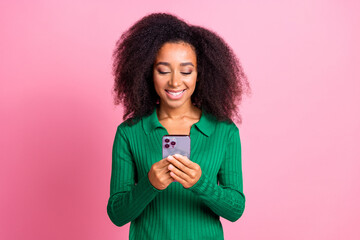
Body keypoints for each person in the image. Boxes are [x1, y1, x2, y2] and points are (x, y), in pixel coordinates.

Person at [107, 12, 251, 240]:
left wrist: (201, 184)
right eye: (163, 70)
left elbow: (235, 210)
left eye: (186, 71)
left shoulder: (224, 131)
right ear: (147, 72)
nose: (175, 81)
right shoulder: (129, 132)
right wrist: (150, 183)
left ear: (200, 74)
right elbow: (117, 214)